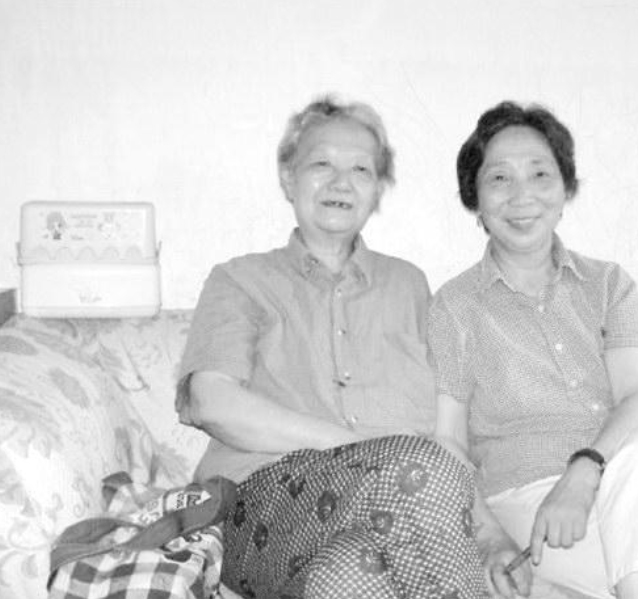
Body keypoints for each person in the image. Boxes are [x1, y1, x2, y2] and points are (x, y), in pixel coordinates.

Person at [428, 100, 638, 599]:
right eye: (499, 178)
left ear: (566, 188)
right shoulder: (454, 307)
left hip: (627, 479)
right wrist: (490, 538)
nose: (522, 195)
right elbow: (447, 444)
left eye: (540, 174)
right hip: (532, 507)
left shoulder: (607, 284)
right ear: (475, 196)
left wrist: (584, 471)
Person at [175, 95, 485, 599]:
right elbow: (211, 402)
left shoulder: (409, 285)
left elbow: (447, 434)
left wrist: (490, 533)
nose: (341, 182)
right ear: (288, 178)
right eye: (322, 164)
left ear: (378, 189)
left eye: (360, 169)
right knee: (418, 467)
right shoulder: (240, 279)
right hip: (262, 506)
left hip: (399, 508)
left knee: (349, 576)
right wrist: (354, 449)